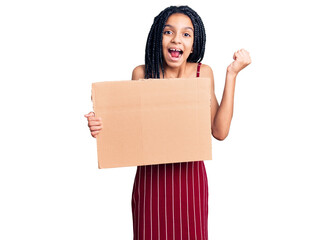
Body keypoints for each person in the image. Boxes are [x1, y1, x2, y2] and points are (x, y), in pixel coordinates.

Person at [84, 5, 251, 240]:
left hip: (190, 180)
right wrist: (102, 126)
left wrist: (232, 75)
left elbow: (220, 131)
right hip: (152, 181)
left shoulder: (202, 73)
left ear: (194, 43)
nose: (177, 40)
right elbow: (130, 132)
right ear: (157, 38)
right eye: (168, 32)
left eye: (186, 34)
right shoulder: (142, 74)